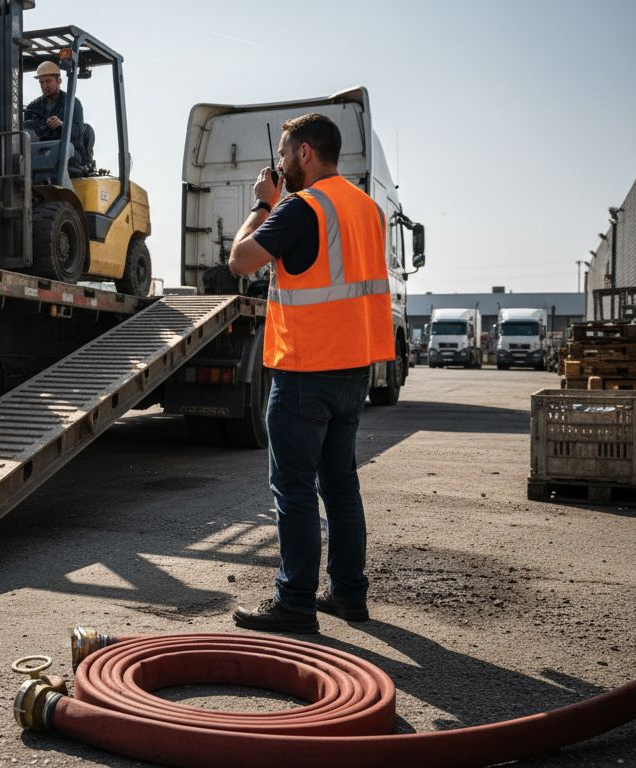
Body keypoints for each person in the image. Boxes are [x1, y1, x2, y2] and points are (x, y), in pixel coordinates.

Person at [226, 113, 393, 634]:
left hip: (305, 369)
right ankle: (348, 594)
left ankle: (294, 601)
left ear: (304, 154)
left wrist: (261, 203)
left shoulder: (302, 207)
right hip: (354, 368)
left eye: (283, 153)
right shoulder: (365, 208)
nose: (278, 164)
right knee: (340, 485)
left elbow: (239, 260)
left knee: (294, 487)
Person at [24, 61, 89, 174]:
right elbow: (26, 134)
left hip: (70, 154)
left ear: (59, 81)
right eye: (41, 82)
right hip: (42, 153)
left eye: (48, 81)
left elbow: (77, 132)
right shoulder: (33, 107)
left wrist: (61, 124)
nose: (44, 86)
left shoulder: (72, 103)